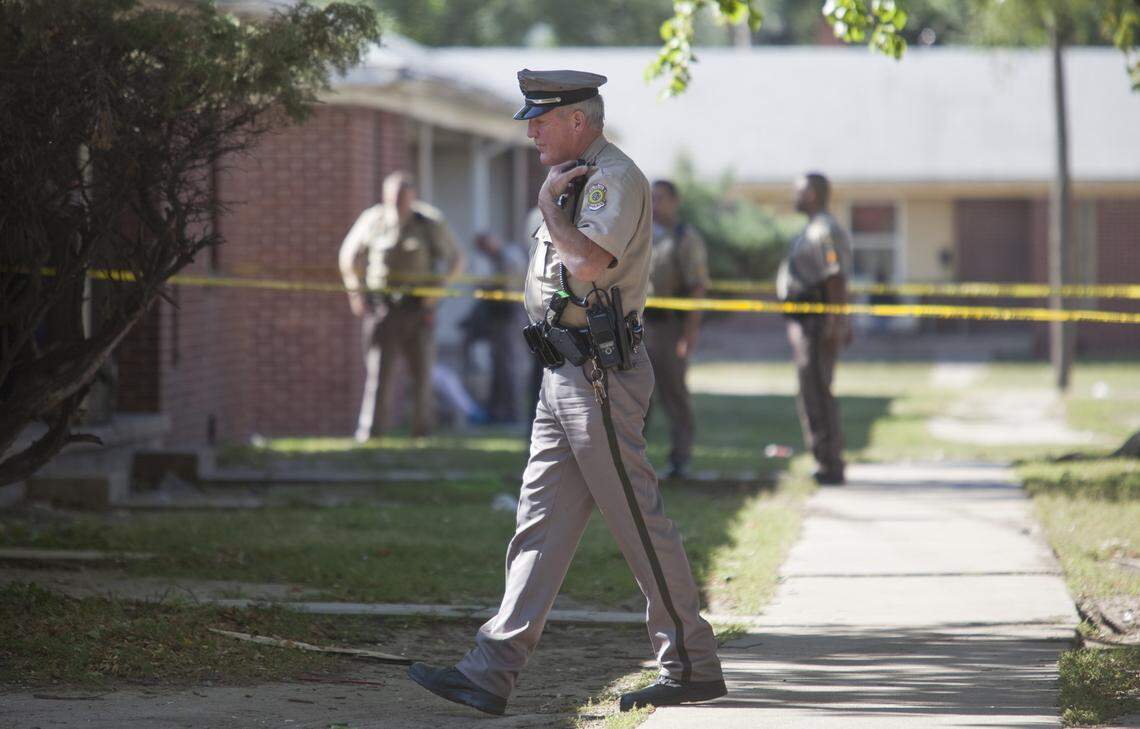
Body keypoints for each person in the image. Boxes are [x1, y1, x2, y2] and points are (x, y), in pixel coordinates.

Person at [407, 69, 726, 716]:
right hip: (563, 374)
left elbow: (585, 265)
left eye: (541, 119)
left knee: (639, 520)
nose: (530, 131)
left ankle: (691, 662)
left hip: (600, 378)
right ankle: (491, 669)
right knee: (538, 526)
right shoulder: (572, 175)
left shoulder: (612, 178)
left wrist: (551, 209)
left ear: (578, 120)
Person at [338, 171, 463, 442]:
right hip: (382, 307)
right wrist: (355, 292)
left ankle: (422, 432)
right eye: (392, 197)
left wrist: (437, 291)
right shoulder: (372, 220)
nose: (397, 202)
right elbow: (348, 256)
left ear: (413, 196)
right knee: (378, 372)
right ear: (384, 196)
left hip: (418, 308)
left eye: (403, 197)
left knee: (422, 373)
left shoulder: (429, 221)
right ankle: (371, 433)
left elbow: (457, 259)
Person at [776, 172, 853, 485]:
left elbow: (836, 279)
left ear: (813, 194)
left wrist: (836, 322)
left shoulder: (824, 230)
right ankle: (824, 458)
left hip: (817, 322)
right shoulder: (812, 228)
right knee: (811, 390)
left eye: (799, 191)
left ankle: (830, 463)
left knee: (818, 390)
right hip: (805, 322)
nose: (794, 196)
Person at [645, 179, 711, 479]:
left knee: (674, 395)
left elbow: (697, 288)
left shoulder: (685, 238)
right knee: (636, 396)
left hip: (670, 325)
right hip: (640, 326)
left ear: (674, 201)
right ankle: (634, 462)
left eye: (660, 199)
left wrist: (689, 334)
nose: (655, 205)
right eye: (651, 199)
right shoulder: (642, 236)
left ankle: (680, 459)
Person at [459, 232, 527, 423]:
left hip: (509, 315)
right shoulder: (500, 258)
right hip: (500, 317)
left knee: (509, 366)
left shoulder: (509, 258)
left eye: (483, 248)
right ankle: (499, 410)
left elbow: (508, 288)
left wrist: (486, 288)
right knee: (500, 365)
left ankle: (512, 413)